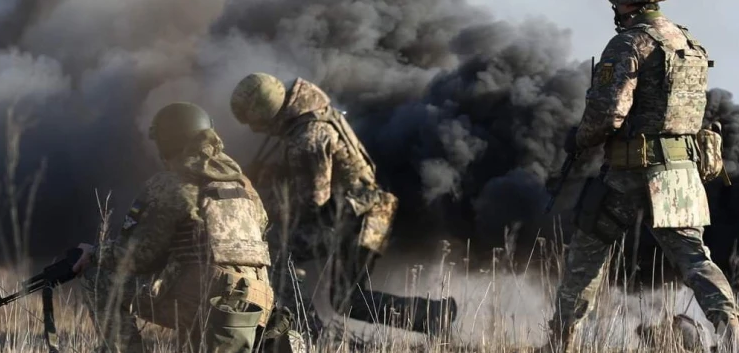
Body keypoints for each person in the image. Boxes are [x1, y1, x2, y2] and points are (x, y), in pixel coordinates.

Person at [539, 0, 739, 353]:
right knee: (695, 258)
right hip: (680, 172)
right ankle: (732, 331)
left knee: (587, 254)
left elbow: (610, 112)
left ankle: (561, 342)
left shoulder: (629, 43)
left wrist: (580, 139)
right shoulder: (688, 43)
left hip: (630, 171)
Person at [230, 73, 457, 340]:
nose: (259, 130)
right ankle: (430, 315)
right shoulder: (310, 116)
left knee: (277, 254)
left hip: (356, 218)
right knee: (347, 298)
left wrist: (266, 209)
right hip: (359, 211)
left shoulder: (307, 138)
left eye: (257, 123)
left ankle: (307, 332)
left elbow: (312, 201)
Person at [71, 102, 289, 353]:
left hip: (205, 299)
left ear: (167, 142)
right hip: (258, 302)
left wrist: (94, 253)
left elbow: (135, 256)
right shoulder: (244, 185)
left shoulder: (171, 184)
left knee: (97, 279)